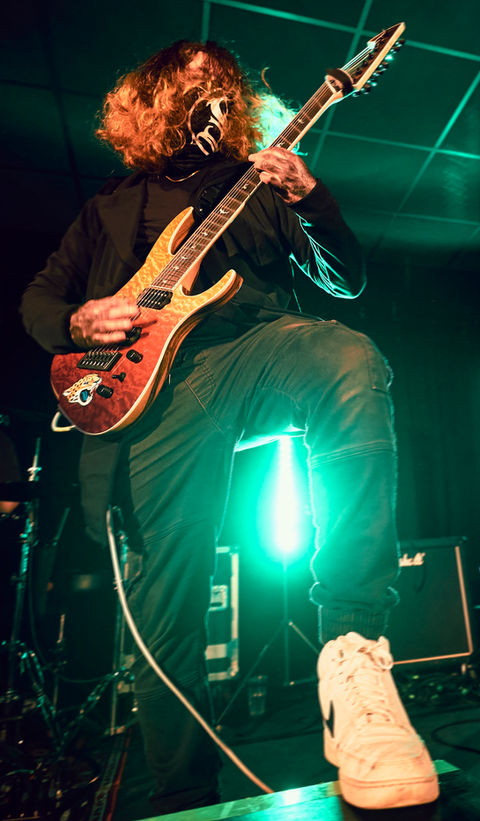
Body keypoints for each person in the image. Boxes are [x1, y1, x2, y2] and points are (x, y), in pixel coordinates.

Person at [21, 40, 439, 813]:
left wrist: (311, 196)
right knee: (164, 610)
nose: (204, 89)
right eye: (186, 79)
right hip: (150, 394)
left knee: (348, 358)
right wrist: (80, 316)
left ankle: (352, 650)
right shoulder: (108, 205)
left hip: (256, 351)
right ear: (147, 98)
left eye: (218, 81)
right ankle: (183, 793)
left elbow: (345, 279)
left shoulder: (262, 180)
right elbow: (40, 299)